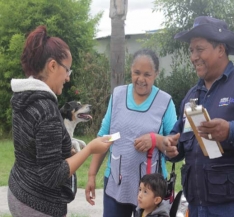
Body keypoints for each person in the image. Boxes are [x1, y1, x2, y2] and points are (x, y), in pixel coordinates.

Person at [166, 16, 234, 217]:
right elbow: (180, 138)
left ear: (220, 49)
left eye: (199, 49)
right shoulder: (192, 95)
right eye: (191, 50)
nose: (193, 57)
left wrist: (230, 131)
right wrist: (172, 146)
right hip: (198, 209)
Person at [8, 25, 113, 217]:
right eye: (67, 70)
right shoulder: (46, 109)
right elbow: (52, 175)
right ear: (52, 65)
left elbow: (33, 149)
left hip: (18, 191)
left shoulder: (24, 98)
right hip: (38, 204)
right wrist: (89, 149)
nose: (67, 77)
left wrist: (67, 150)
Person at [85, 49, 179, 217]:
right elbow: (105, 138)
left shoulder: (165, 102)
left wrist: (156, 140)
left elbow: (174, 143)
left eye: (147, 74)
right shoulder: (118, 95)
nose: (141, 79)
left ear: (156, 74)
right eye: (136, 73)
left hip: (151, 190)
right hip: (116, 183)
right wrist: (92, 175)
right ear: (130, 70)